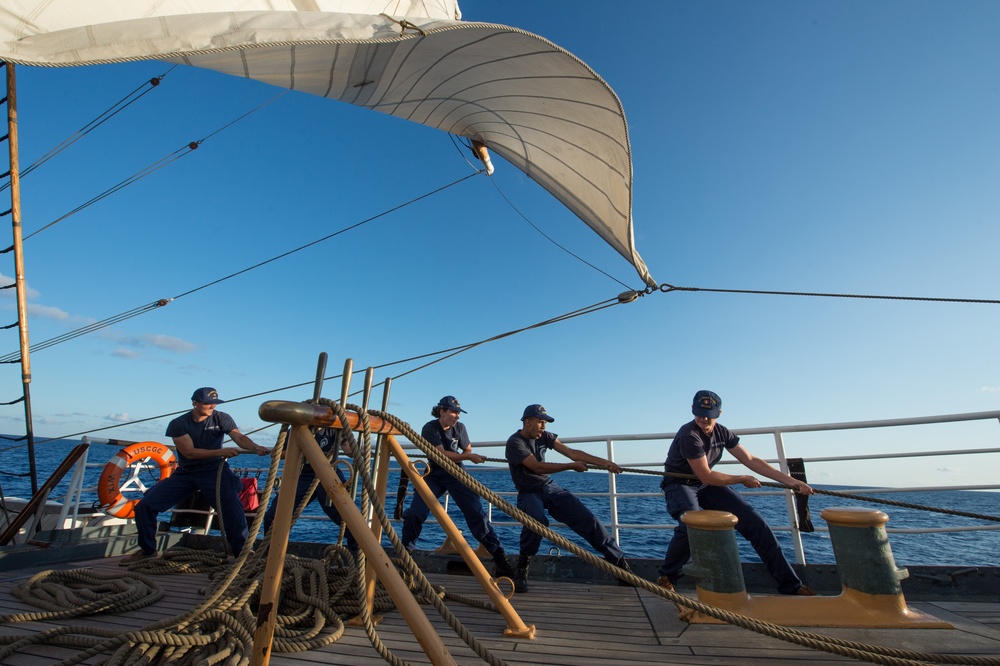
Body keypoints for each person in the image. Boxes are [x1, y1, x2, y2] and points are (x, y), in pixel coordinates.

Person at [657, 390, 815, 595]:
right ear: (692, 411)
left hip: (706, 484)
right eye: (699, 413)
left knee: (757, 525)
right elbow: (706, 475)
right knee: (691, 523)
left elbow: (750, 460)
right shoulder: (689, 435)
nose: (704, 418)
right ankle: (667, 576)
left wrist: (792, 482)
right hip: (680, 483)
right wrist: (741, 479)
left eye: (708, 413)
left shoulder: (722, 432)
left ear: (719, 413)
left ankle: (791, 586)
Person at [121, 387, 270, 565]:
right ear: (195, 403)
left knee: (232, 507)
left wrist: (255, 447)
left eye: (214, 402)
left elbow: (238, 436)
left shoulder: (222, 417)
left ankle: (242, 554)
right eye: (208, 402)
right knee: (145, 506)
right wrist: (221, 451)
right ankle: (148, 551)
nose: (212, 406)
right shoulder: (178, 424)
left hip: (215, 470)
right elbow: (189, 453)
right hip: (187, 472)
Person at [505, 404, 632, 593]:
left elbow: (572, 453)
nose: (543, 427)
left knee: (588, 520)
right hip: (529, 491)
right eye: (540, 422)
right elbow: (536, 467)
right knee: (536, 520)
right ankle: (522, 568)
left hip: (549, 487)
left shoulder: (544, 436)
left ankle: (620, 565)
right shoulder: (515, 442)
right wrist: (570, 466)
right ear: (527, 421)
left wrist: (605, 463)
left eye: (545, 423)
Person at [401, 396, 515, 579]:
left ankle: (500, 559)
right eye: (453, 412)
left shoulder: (460, 428)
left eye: (458, 413)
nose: (457, 417)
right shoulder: (429, 428)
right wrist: (468, 457)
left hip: (456, 474)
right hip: (434, 474)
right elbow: (440, 455)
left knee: (476, 513)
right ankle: (405, 557)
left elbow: (467, 448)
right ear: (442, 411)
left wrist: (468, 455)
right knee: (416, 513)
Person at [262, 426, 357, 553]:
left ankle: (361, 557)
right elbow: (276, 453)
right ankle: (271, 556)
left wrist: (357, 451)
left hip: (328, 473)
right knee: (272, 516)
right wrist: (302, 450)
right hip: (303, 476)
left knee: (348, 516)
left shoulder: (335, 427)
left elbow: (347, 447)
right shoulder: (297, 428)